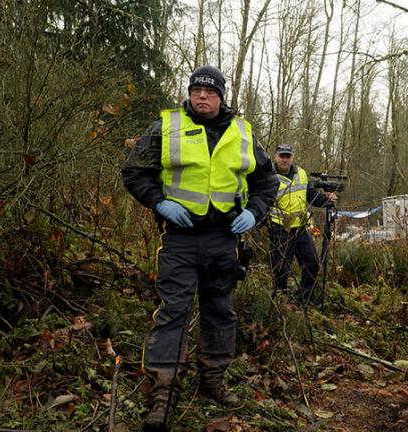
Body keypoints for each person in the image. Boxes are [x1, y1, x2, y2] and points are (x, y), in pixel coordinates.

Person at [122, 65, 278, 432]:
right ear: (190, 94)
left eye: (209, 92)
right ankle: (163, 391)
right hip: (180, 237)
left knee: (220, 311)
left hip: (224, 238)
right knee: (172, 312)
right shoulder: (168, 127)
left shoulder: (243, 131)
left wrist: (255, 213)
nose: (202, 97)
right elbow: (134, 172)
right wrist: (159, 202)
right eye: (196, 91)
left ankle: (213, 381)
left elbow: (267, 180)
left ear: (222, 96)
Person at [268, 144, 336, 304]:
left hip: (300, 228)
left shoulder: (301, 174)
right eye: (282, 156)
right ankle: (281, 303)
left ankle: (303, 298)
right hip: (279, 229)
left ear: (292, 157)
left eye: (288, 156)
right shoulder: (267, 176)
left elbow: (311, 196)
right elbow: (261, 199)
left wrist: (327, 199)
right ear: (275, 157)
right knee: (281, 269)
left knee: (312, 263)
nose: (285, 159)